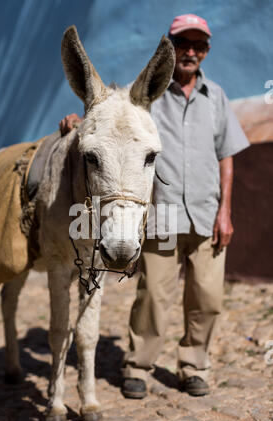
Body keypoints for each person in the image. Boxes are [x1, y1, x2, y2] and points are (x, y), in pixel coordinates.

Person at [59, 14, 249, 398]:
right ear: (172, 47)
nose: (190, 52)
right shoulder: (142, 97)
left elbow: (226, 156)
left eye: (198, 45)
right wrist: (82, 121)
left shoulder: (218, 99)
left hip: (206, 212)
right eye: (183, 44)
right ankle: (138, 366)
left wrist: (225, 210)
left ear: (206, 51)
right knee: (153, 296)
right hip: (162, 216)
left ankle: (194, 365)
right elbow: (109, 119)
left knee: (207, 297)